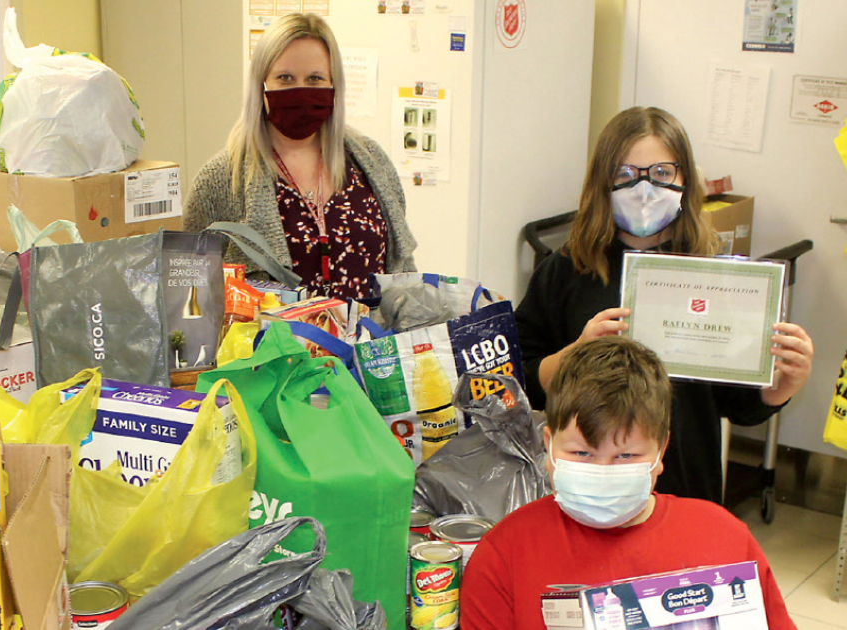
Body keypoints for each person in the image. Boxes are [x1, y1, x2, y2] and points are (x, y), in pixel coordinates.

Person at [515, 106, 814, 503]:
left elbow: (735, 404)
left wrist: (780, 385)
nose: (644, 190)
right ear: (601, 182)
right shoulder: (564, 272)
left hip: (685, 487)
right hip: (584, 491)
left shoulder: (715, 278)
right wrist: (574, 357)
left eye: (661, 174)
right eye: (625, 174)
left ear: (685, 179)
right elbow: (516, 383)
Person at [460, 336, 796, 629]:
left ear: (661, 450)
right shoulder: (503, 556)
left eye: (625, 457)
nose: (603, 471)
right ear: (548, 445)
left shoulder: (724, 540)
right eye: (582, 453)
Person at [183, 13, 417, 300]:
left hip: (371, 341)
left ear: (334, 86)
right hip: (274, 344)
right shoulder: (220, 180)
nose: (301, 90)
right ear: (261, 85)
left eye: (315, 79)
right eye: (285, 78)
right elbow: (191, 290)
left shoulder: (371, 162)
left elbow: (403, 269)